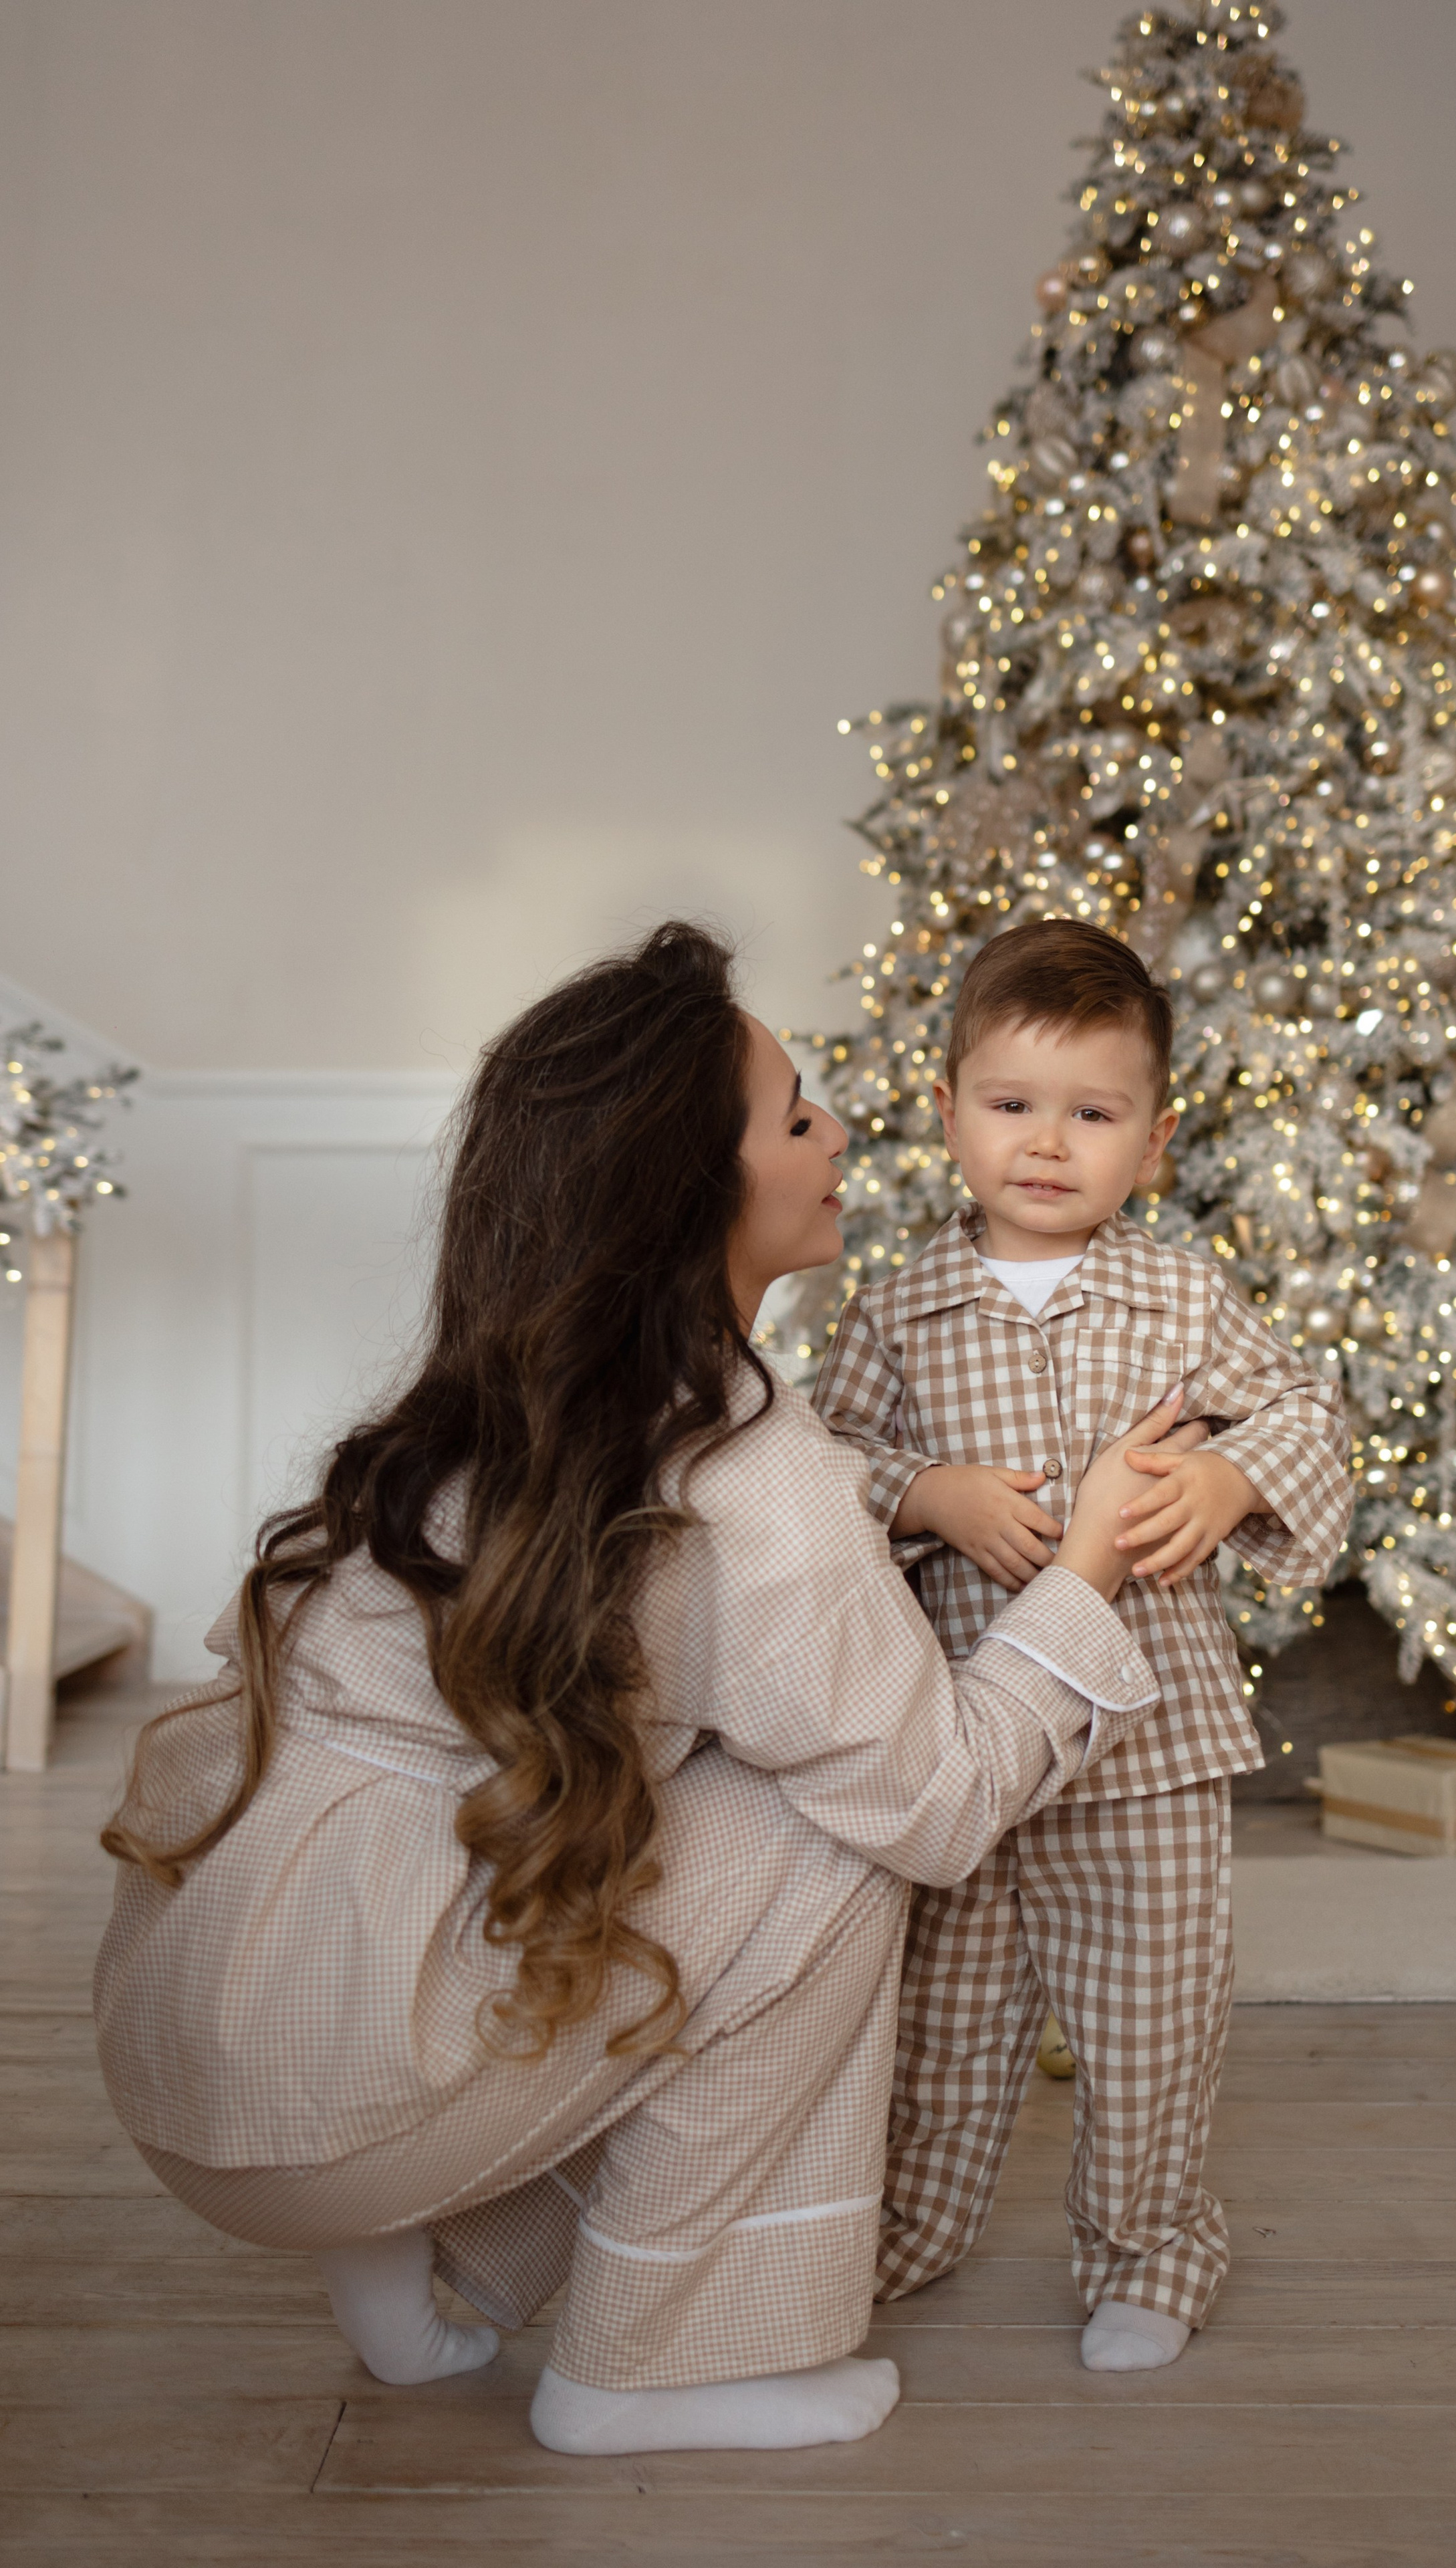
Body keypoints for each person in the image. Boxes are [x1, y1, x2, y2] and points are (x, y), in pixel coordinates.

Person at [94, 921, 1186, 2458]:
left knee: (618, 1800)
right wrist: (1083, 1572)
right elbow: (939, 1802)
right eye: (796, 1117)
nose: (839, 1134)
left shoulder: (501, 1393)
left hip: (200, 2051)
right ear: (694, 1189)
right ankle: (659, 2365)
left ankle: (418, 2269)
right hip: (338, 2100)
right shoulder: (748, 1469)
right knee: (834, 1831)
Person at [814, 918, 1352, 2371]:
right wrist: (925, 1493)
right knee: (937, 2023)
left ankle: (1149, 2248)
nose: (1047, 1143)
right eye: (1011, 1104)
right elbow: (809, 1471)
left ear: (1154, 1140)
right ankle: (903, 2227)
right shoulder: (897, 1312)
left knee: (1150, 2022)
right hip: (960, 1745)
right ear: (947, 1112)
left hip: (1147, 1748)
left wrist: (1230, 1477)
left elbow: (1307, 1412)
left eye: (1093, 1114)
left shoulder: (1183, 1297)